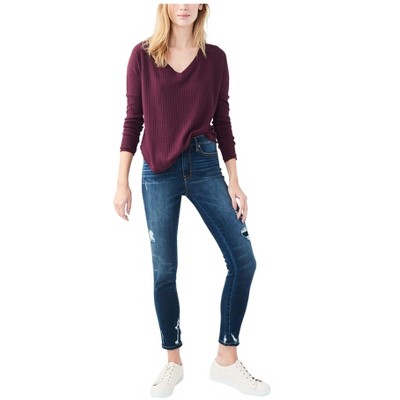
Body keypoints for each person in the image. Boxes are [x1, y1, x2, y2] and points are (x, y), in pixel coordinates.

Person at [113, 3, 270, 397]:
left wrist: (234, 180)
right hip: (157, 171)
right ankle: (173, 362)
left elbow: (223, 121)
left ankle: (226, 360)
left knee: (243, 260)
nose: (183, 5)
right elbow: (133, 120)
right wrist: (121, 181)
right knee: (164, 270)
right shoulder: (142, 55)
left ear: (202, 5)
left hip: (204, 164)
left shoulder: (215, 58)